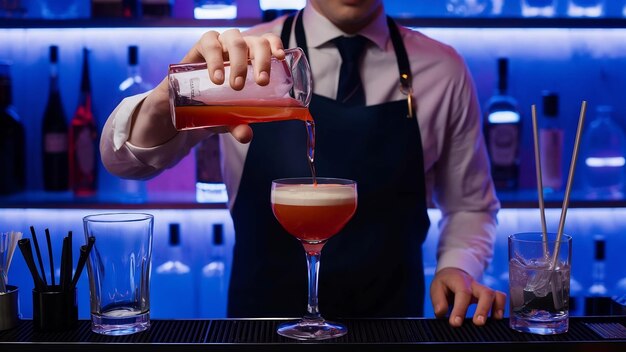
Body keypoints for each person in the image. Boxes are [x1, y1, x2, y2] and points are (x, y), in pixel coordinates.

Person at [100, 0, 506, 327]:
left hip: (392, 329)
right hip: (259, 329)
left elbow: (471, 205)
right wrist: (165, 99)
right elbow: (123, 162)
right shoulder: (246, 60)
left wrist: (458, 266)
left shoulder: (442, 68)